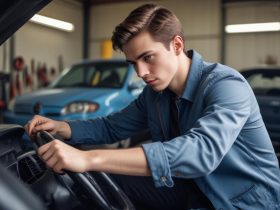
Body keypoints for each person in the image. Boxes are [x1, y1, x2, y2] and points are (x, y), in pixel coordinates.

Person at [25, 4, 280, 210]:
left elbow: (201, 152)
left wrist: (89, 158)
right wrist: (63, 127)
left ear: (177, 45)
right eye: (133, 63)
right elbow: (112, 126)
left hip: (242, 201)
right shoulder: (155, 95)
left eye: (148, 58)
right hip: (192, 188)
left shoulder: (226, 85)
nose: (141, 73)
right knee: (101, 185)